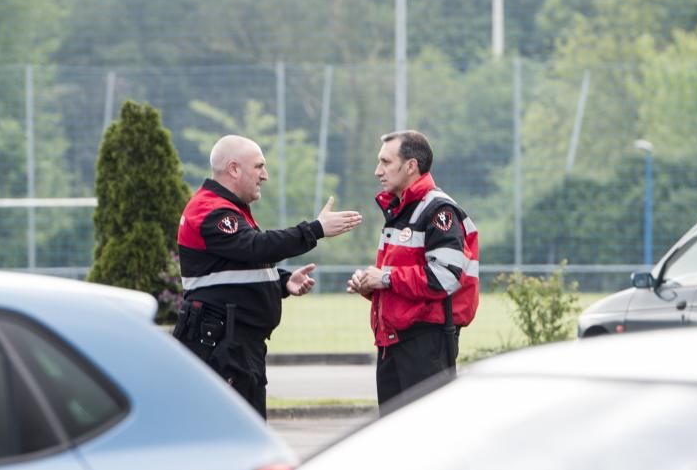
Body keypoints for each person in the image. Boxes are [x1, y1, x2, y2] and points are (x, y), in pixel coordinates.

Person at [173, 134, 362, 418]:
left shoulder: (227, 208)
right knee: (235, 438)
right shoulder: (211, 210)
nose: (266, 175)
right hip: (222, 346)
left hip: (232, 343)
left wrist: (282, 281)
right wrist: (315, 229)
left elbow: (237, 263)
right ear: (234, 169)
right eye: (259, 166)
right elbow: (255, 247)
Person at [347, 130, 479, 413]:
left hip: (425, 343)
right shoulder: (400, 210)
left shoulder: (438, 211)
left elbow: (444, 277)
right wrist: (371, 285)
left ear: (411, 166)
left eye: (385, 162)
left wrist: (384, 277)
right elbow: (400, 282)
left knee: (427, 440)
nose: (377, 171)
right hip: (394, 341)